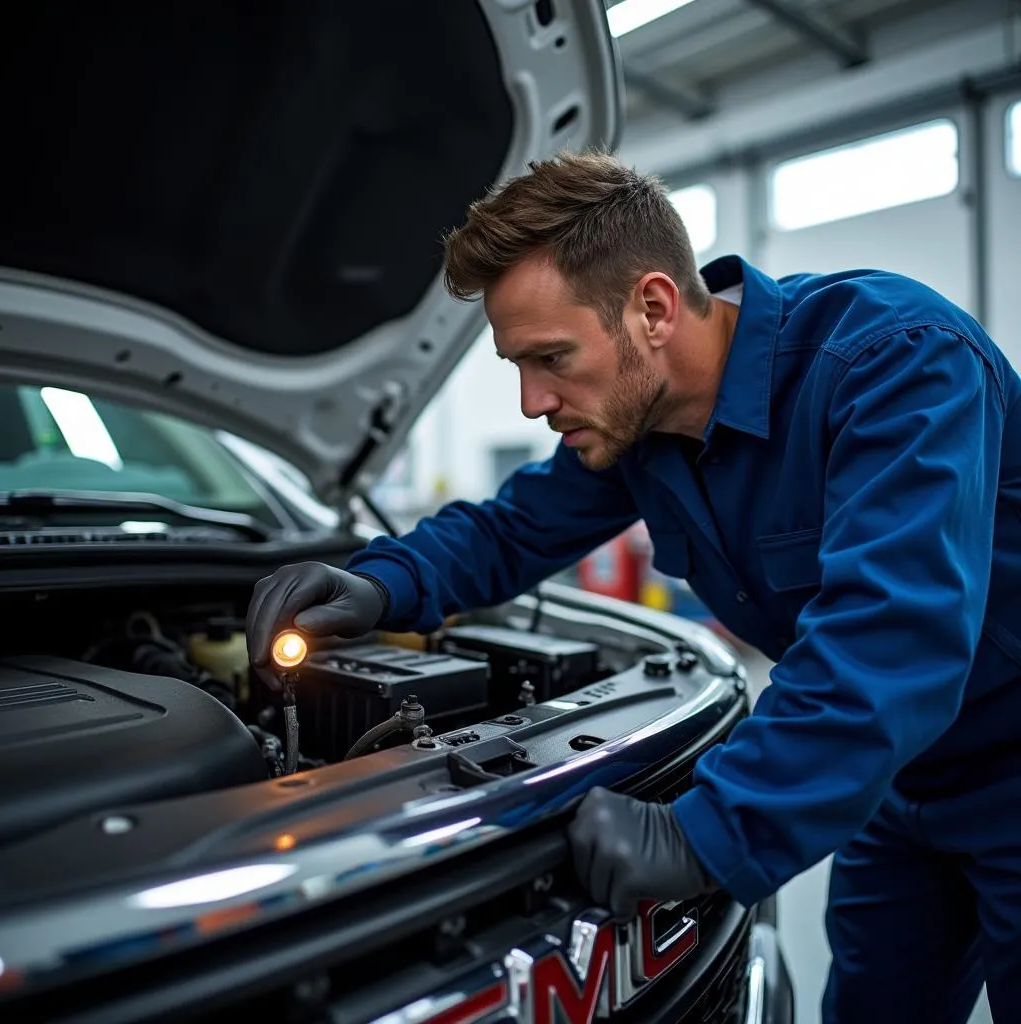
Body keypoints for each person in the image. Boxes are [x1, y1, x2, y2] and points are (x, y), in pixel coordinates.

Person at [246, 151, 1021, 1023]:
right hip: (893, 785)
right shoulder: (638, 425)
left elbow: (890, 638)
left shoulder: (895, 362)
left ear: (652, 307)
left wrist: (710, 828)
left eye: (551, 357)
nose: (534, 401)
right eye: (517, 366)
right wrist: (378, 583)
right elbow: (512, 527)